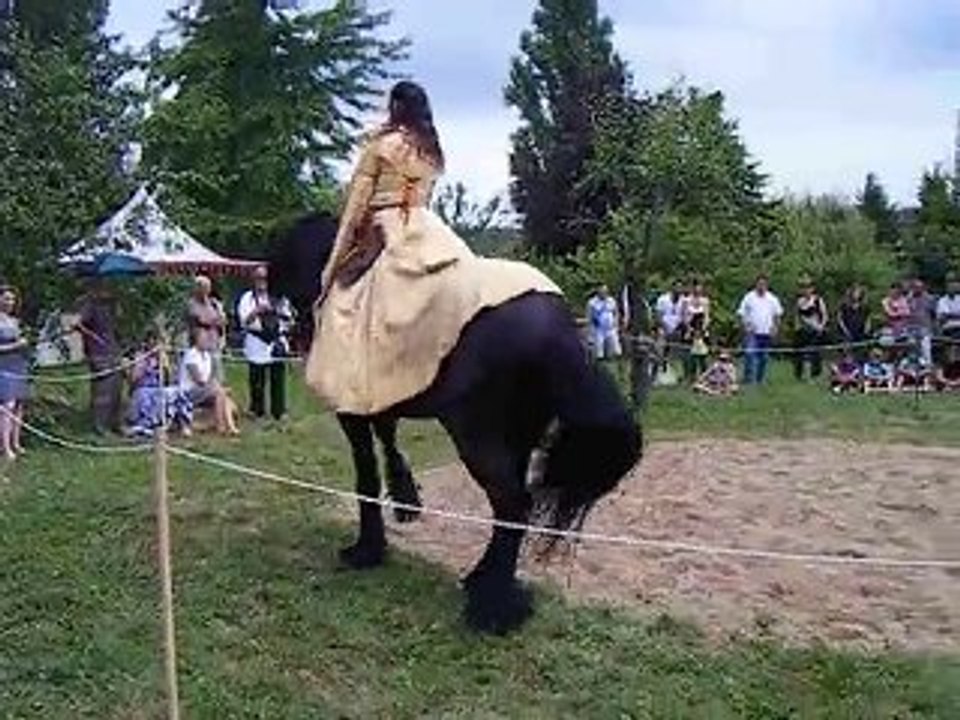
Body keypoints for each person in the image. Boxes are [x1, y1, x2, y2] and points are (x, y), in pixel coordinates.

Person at [305, 81, 560, 415]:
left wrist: (334, 263)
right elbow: (426, 198)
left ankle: (363, 386)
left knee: (346, 304)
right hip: (429, 228)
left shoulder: (381, 145)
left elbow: (355, 208)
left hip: (385, 228)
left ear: (395, 106)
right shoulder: (430, 150)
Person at [237, 266, 294, 420]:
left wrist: (274, 311)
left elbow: (289, 319)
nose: (262, 282)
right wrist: (257, 311)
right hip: (257, 340)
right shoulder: (247, 298)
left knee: (278, 378)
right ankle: (257, 410)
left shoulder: (279, 297)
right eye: (258, 278)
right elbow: (243, 321)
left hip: (275, 341)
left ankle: (279, 411)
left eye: (265, 278)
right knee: (257, 378)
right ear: (253, 280)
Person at [125, 332, 193, 437]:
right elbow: (133, 380)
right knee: (146, 396)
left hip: (159, 388)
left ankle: (183, 424)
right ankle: (147, 426)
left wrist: (165, 365)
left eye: (158, 342)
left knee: (177, 392)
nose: (155, 344)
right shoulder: (141, 356)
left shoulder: (162, 357)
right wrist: (142, 365)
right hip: (142, 389)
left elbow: (167, 380)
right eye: (153, 341)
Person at [75, 283, 121, 434]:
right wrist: (92, 336)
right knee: (103, 391)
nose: (110, 290)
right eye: (105, 287)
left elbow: (116, 327)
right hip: (98, 353)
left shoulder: (111, 306)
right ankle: (100, 427)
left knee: (116, 389)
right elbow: (77, 324)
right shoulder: (90, 305)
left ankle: (114, 424)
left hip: (112, 350)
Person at [178, 329, 238, 435]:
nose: (207, 341)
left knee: (225, 398)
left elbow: (211, 378)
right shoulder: (191, 355)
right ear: (196, 340)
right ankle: (222, 426)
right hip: (189, 391)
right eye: (204, 338)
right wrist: (215, 387)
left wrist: (216, 385)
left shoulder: (207, 355)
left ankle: (230, 427)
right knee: (220, 392)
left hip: (204, 390)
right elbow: (198, 380)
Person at [737, 274, 783, 385]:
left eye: (764, 284)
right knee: (749, 354)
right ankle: (748, 379)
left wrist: (775, 328)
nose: (761, 286)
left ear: (767, 285)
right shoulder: (748, 297)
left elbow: (777, 315)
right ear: (756, 284)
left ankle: (760, 379)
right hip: (752, 333)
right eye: (759, 283)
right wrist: (746, 325)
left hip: (766, 333)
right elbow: (741, 314)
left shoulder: (773, 299)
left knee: (764, 358)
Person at [0, 286, 29, 460]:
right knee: (7, 406)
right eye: (6, 298)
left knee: (19, 405)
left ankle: (16, 442)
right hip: (3, 366)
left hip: (18, 364)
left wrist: (23, 345)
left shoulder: (14, 321)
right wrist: (15, 346)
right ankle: (5, 447)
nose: (9, 302)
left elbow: (20, 342)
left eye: (11, 299)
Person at [185, 275, 226, 381]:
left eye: (208, 287)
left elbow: (222, 321)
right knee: (202, 375)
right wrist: (215, 320)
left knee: (215, 372)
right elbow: (202, 319)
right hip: (199, 344)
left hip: (214, 343)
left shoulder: (214, 303)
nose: (206, 291)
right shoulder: (191, 304)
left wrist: (218, 317)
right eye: (203, 287)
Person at [793, 277, 828, 381]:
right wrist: (797, 327)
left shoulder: (818, 300)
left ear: (812, 289)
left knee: (815, 353)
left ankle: (815, 374)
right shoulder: (800, 301)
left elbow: (825, 315)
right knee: (799, 353)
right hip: (803, 330)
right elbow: (796, 315)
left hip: (815, 330)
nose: (806, 290)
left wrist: (821, 326)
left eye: (808, 288)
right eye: (803, 288)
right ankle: (798, 374)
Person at [681, 280, 711, 381]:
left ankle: (704, 376)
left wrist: (703, 329)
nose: (697, 289)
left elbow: (707, 316)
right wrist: (691, 329)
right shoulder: (686, 300)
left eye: (699, 287)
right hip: (690, 330)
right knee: (691, 355)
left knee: (703, 355)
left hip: (702, 330)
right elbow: (684, 317)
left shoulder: (705, 301)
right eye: (695, 287)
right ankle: (691, 376)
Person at [586, 285, 622, 360]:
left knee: (616, 349)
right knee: (599, 349)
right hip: (599, 329)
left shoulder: (611, 301)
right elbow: (589, 316)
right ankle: (600, 363)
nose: (604, 293)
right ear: (598, 292)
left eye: (605, 291)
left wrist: (616, 323)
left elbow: (616, 312)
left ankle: (615, 362)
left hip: (610, 327)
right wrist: (592, 326)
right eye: (602, 291)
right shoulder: (592, 302)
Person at [905, 278, 936, 366]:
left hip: (925, 328)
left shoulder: (930, 298)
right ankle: (912, 369)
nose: (917, 289)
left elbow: (934, 315)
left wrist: (934, 329)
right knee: (911, 349)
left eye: (919, 287)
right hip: (911, 328)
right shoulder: (908, 299)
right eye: (915, 287)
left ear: (923, 288)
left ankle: (928, 368)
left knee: (926, 349)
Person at [837, 285, 870, 361]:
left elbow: (868, 319)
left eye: (858, 292)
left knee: (860, 350)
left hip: (860, 331)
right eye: (855, 291)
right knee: (846, 350)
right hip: (847, 331)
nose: (856, 294)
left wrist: (866, 329)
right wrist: (844, 330)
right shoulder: (844, 305)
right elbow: (840, 318)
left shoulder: (864, 306)